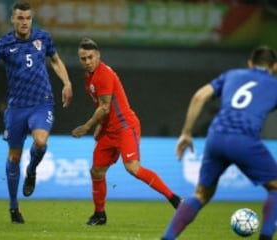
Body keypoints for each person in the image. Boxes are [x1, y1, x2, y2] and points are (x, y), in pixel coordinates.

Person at [0, 1, 72, 224]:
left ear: (31, 20)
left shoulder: (43, 38)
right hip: (16, 108)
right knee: (14, 156)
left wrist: (66, 82)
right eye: (20, 18)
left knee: (41, 142)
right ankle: (14, 207)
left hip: (41, 103)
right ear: (13, 19)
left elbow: (55, 60)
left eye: (28, 18)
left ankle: (32, 170)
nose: (24, 22)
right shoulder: (4, 43)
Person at [161, 46, 277, 240]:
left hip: (216, 137)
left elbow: (199, 96)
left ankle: (167, 238)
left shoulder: (232, 75)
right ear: (274, 66)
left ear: (250, 63)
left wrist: (186, 133)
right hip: (245, 140)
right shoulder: (273, 85)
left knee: (200, 195)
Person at [72, 37, 182, 226]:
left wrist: (87, 126)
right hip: (109, 130)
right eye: (83, 58)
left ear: (98, 56)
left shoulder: (104, 74)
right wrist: (101, 127)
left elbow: (105, 107)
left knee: (133, 168)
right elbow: (102, 105)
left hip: (125, 127)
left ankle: (175, 199)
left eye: (90, 57)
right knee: (97, 171)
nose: (87, 61)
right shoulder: (88, 77)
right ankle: (100, 215)